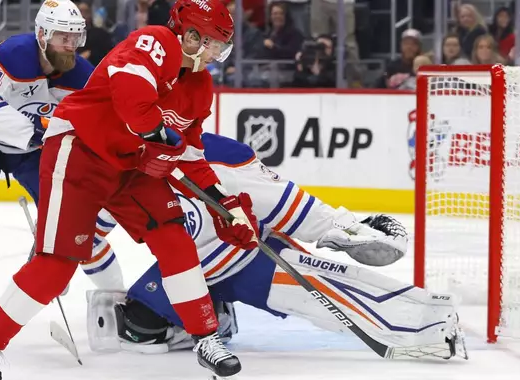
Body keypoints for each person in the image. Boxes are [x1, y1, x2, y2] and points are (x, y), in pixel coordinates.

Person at [0, 0, 258, 380]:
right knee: (57, 264)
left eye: (221, 45)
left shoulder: (199, 86)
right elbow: (134, 99)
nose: (217, 54)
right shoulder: (155, 40)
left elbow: (190, 155)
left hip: (132, 166)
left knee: (174, 239)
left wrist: (224, 204)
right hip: (80, 151)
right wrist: (158, 135)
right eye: (213, 43)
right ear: (191, 35)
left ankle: (205, 338)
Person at [85, 133, 467, 361]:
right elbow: (91, 231)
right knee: (137, 325)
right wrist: (66, 250)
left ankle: (429, 322)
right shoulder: (121, 165)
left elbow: (288, 204)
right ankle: (215, 316)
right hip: (190, 271)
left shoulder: (215, 153)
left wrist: (343, 230)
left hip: (248, 255)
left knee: (326, 294)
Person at [0, 0, 92, 346]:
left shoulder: (83, 75)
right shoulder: (13, 54)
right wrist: (38, 128)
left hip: (30, 146)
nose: (70, 45)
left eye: (74, 37)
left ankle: (46, 259)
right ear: (41, 35)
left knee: (65, 206)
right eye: (61, 37)